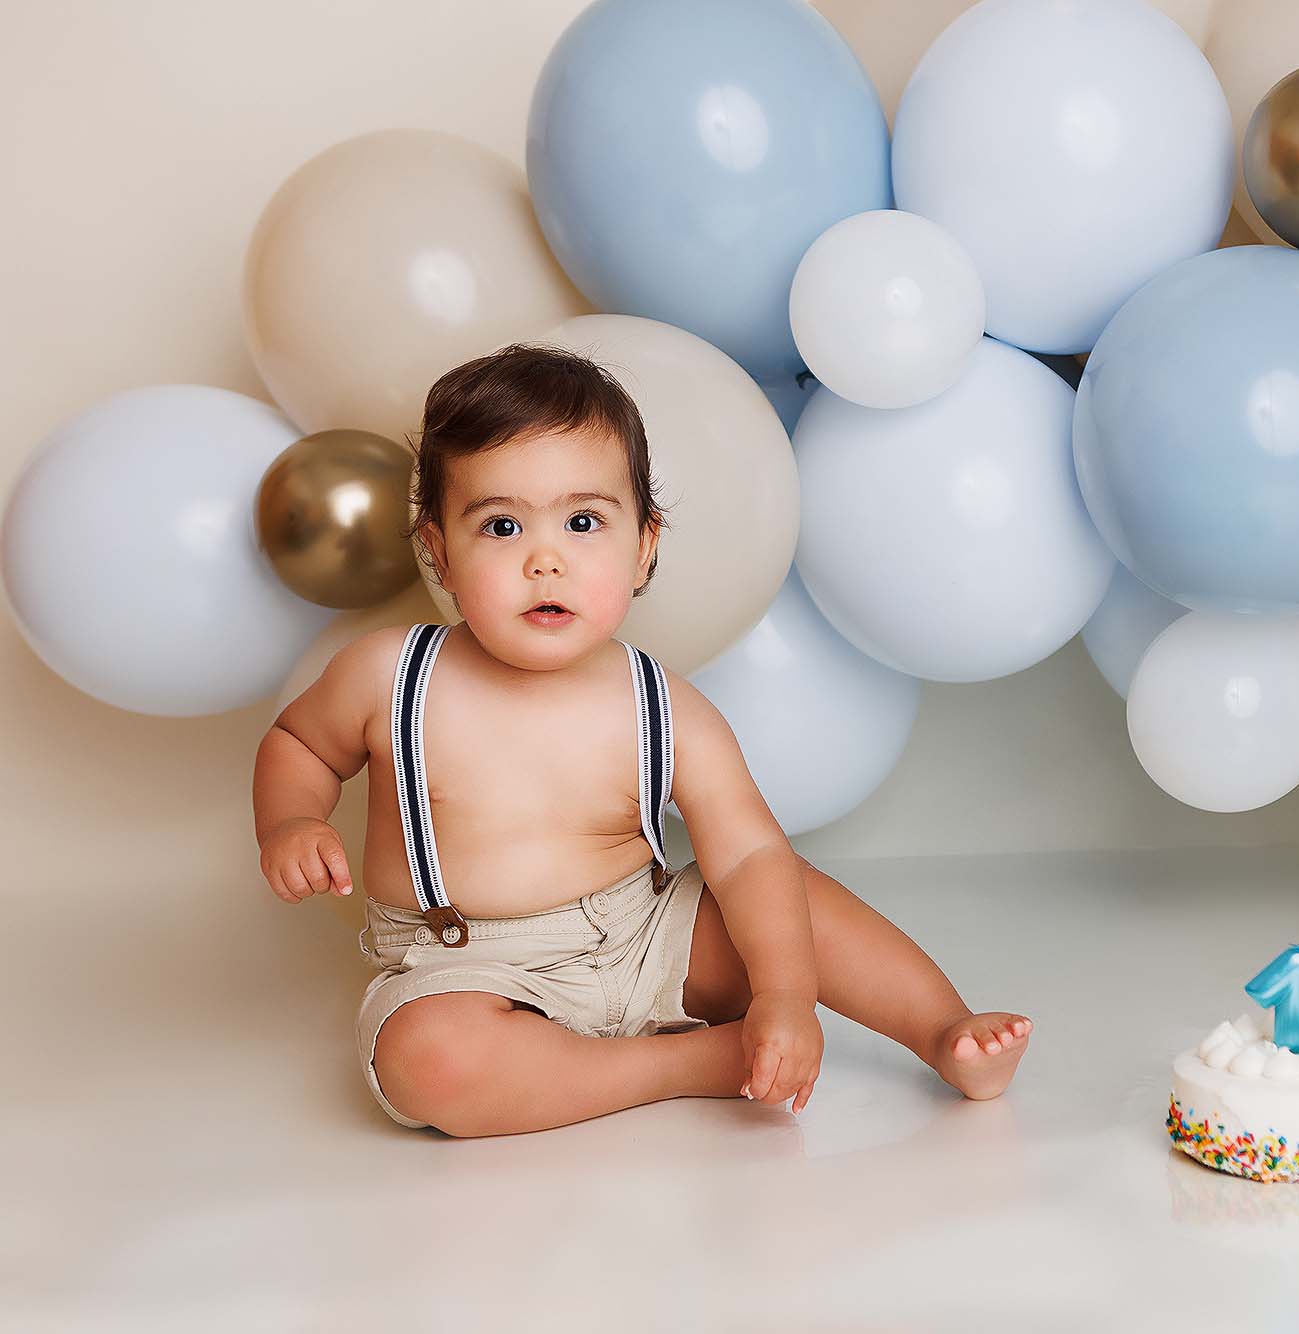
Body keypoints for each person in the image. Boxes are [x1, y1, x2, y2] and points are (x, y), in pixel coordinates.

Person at [251, 343, 1031, 1137]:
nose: (545, 559)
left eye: (583, 522)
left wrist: (784, 995)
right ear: (440, 552)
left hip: (643, 935)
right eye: (502, 525)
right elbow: (299, 745)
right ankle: (694, 1063)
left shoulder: (664, 705)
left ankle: (943, 1030)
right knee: (431, 1061)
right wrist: (292, 821)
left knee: (790, 893)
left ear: (644, 547)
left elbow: (748, 855)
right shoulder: (388, 674)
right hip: (462, 964)